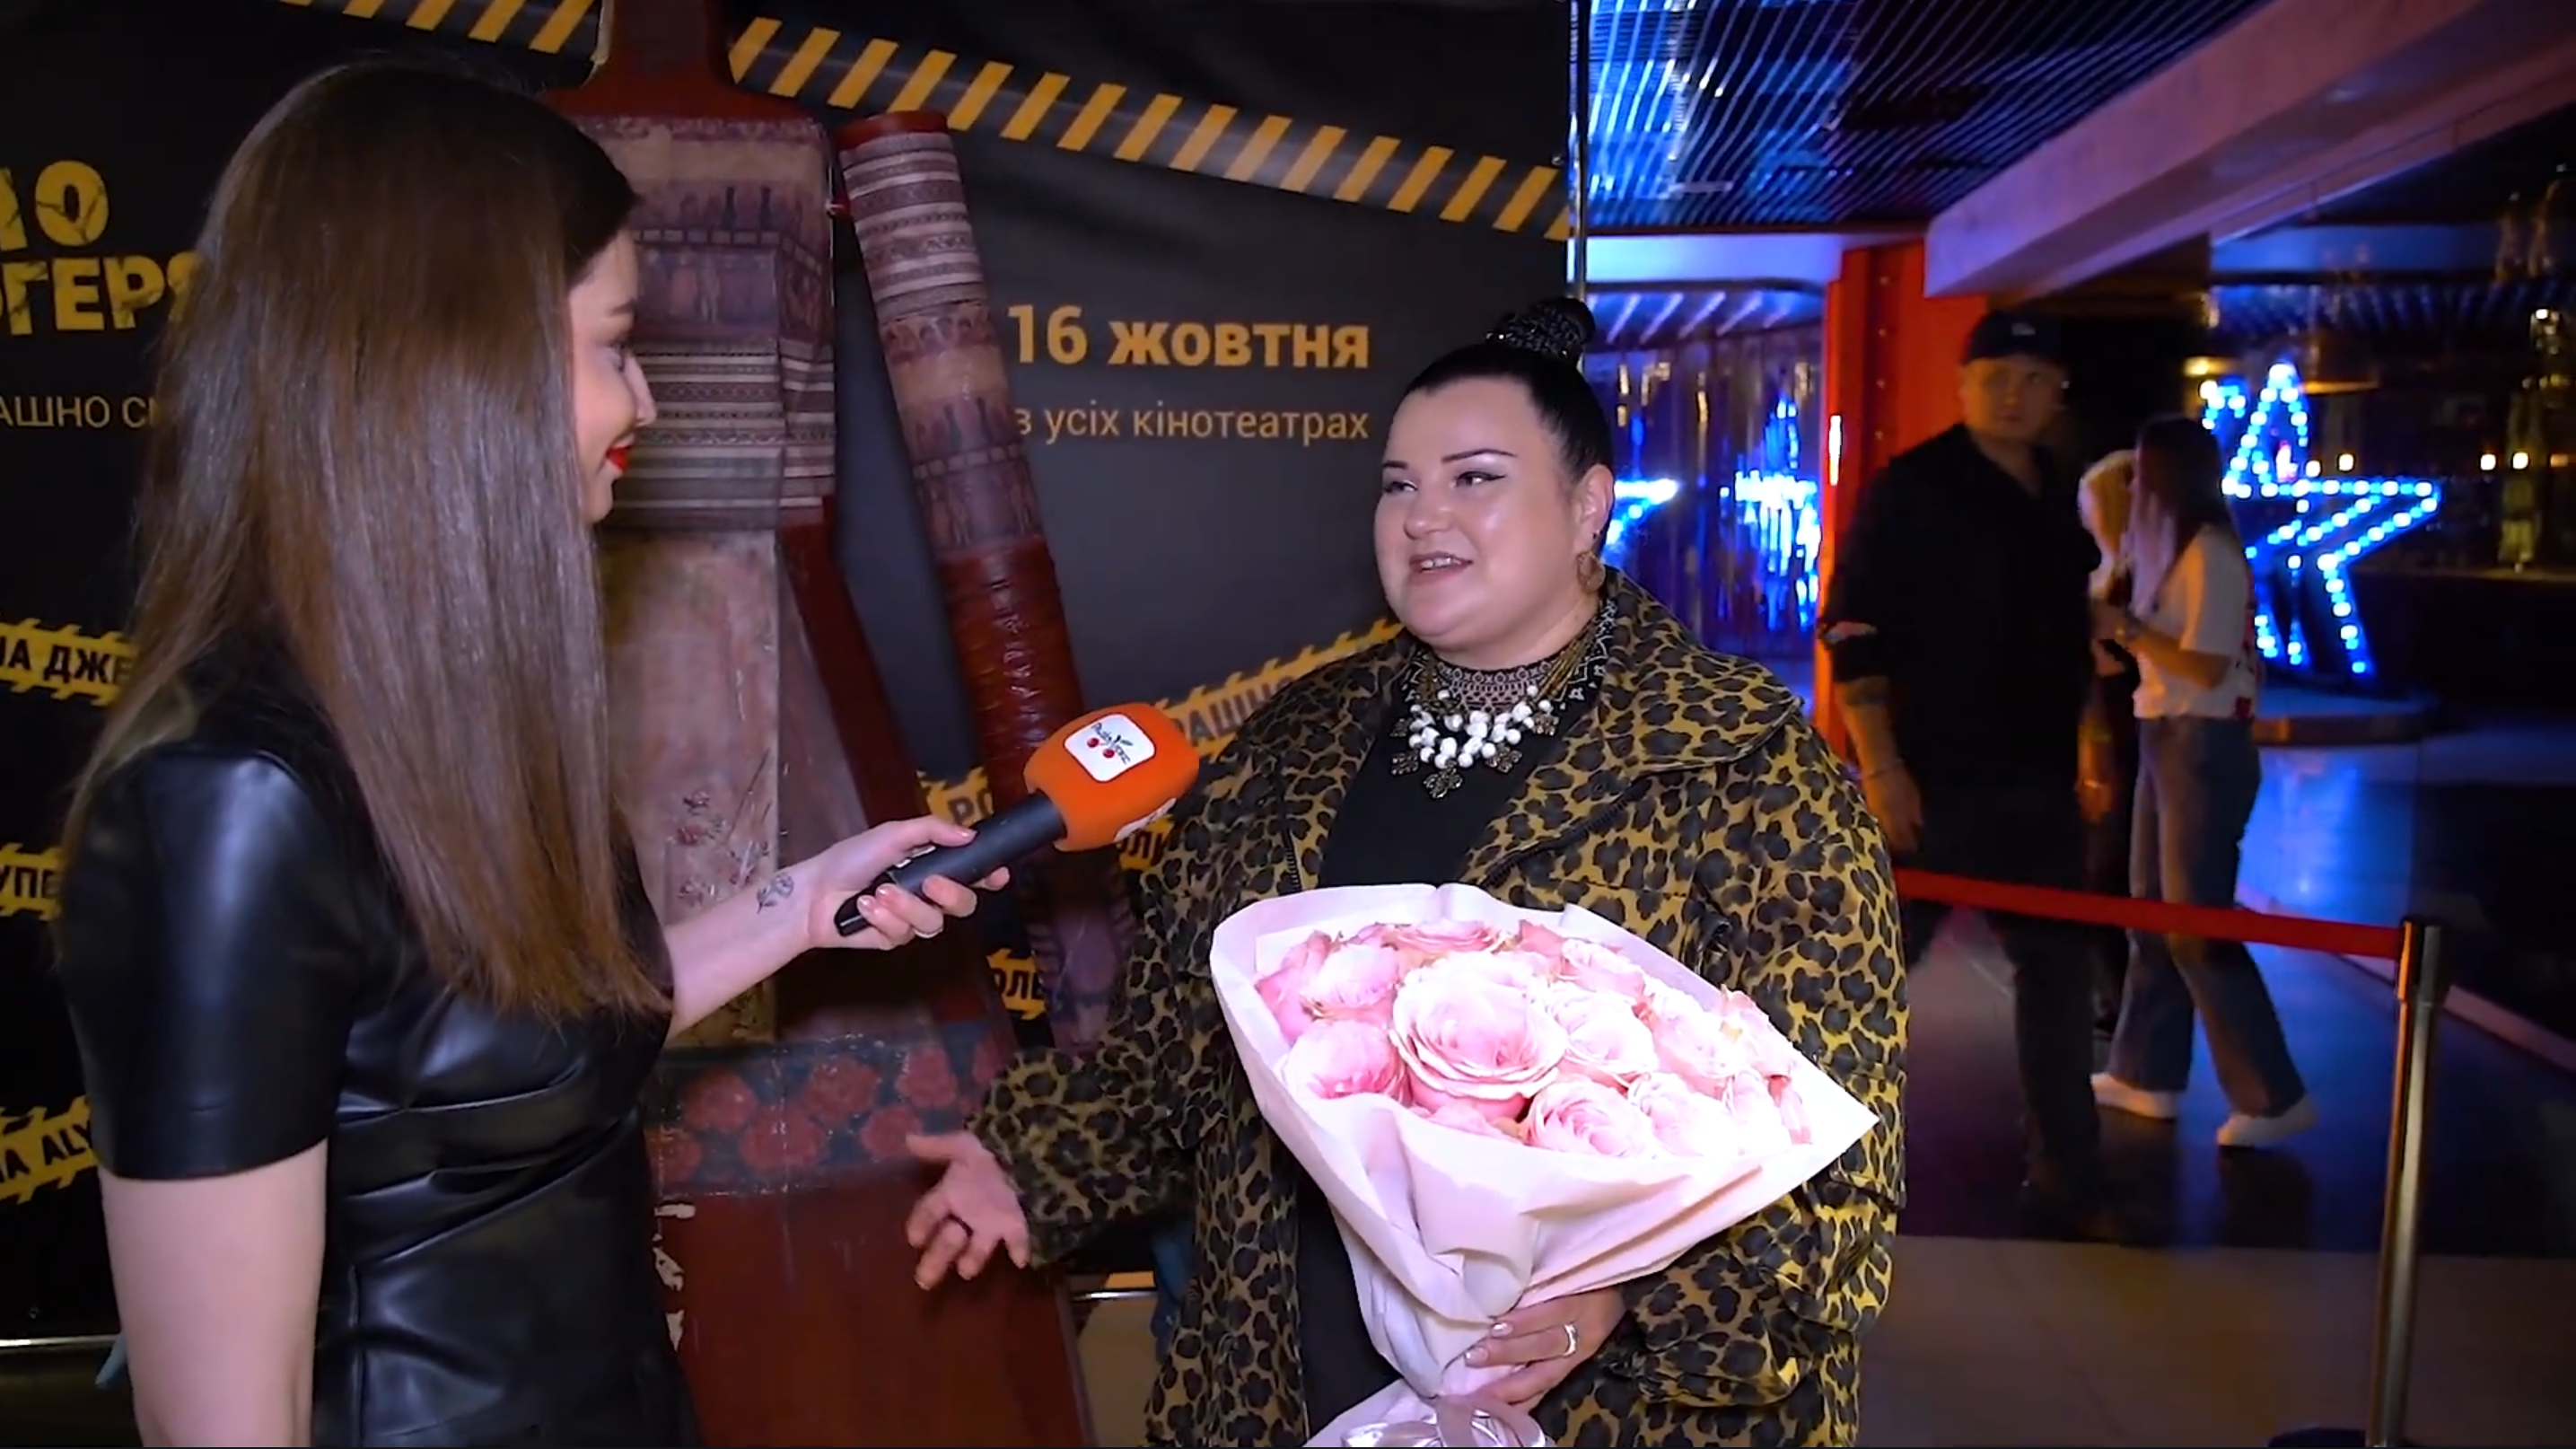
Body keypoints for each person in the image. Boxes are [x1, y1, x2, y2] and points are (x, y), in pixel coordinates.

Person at [48, 62, 994, 1448]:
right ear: (459, 365)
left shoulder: (443, 721)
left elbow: (522, 1043)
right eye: (615, 344)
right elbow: (222, 1422)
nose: (644, 401)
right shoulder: (227, 804)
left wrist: (804, 904)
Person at [901, 299, 1908, 1448]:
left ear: (1587, 504)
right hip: (1286, 1367)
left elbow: (1836, 1132)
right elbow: (1175, 1061)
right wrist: (1031, 1166)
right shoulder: (1290, 748)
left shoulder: (1741, 765)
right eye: (1397, 485)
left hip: (1599, 1400)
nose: (1423, 515)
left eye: (1474, 478)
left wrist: (1634, 1297)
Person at [1818, 310, 2110, 1235]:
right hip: (1930, 776)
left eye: (2034, 378)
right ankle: (1819, 1178)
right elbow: (1853, 625)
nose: (2014, 395)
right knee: (1867, 979)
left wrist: (2090, 745)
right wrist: (1881, 765)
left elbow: (2065, 636)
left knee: (2058, 982)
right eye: (1996, 376)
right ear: (1963, 384)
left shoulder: (2057, 490)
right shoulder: (1916, 487)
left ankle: (2068, 1181)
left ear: (2056, 391)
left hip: (2037, 781)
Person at [2089, 417, 2317, 1149]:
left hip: (2203, 741)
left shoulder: (2211, 551)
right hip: (2168, 732)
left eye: (2143, 472)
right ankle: (2144, 1072)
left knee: (2193, 925)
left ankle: (2272, 1095)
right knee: (2152, 915)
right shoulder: (2174, 550)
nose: (2135, 487)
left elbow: (2207, 665)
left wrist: (2125, 628)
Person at [2077, 450, 2144, 1048]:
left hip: (2127, 729)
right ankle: (2111, 994)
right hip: (2098, 724)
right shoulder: (2104, 571)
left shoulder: (2136, 577)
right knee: (2099, 863)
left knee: (2112, 866)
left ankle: (2123, 998)